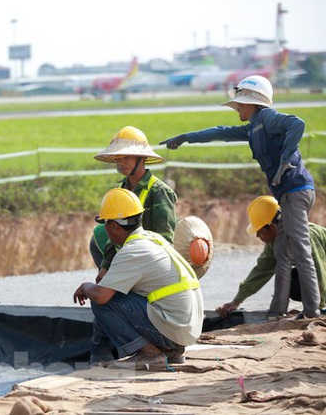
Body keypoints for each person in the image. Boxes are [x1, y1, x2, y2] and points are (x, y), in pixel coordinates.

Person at [160, 75, 320, 319]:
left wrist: (285, 162)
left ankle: (312, 311)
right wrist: (186, 137)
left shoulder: (266, 117)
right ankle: (277, 311)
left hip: (296, 191)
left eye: (240, 104)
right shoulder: (254, 128)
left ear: (253, 103)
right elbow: (220, 132)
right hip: (289, 194)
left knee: (300, 250)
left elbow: (297, 124)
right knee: (282, 254)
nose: (237, 108)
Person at [73, 188, 203, 370]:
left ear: (113, 226)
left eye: (106, 224)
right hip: (185, 331)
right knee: (124, 293)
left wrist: (86, 286)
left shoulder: (132, 252)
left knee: (101, 301)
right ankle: (170, 351)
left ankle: (150, 354)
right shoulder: (154, 239)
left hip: (174, 329)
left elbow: (101, 296)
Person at [89, 125, 178, 363]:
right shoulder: (120, 190)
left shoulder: (159, 192)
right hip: (124, 261)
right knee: (104, 293)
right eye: (117, 158)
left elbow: (165, 239)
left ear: (142, 158)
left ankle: (147, 350)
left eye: (126, 156)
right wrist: (106, 265)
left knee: (106, 300)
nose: (120, 163)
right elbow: (110, 234)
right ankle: (101, 354)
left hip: (145, 264)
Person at [216, 195, 326, 317]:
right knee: (290, 280)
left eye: (260, 231)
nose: (258, 236)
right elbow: (261, 271)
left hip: (323, 272)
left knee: (306, 278)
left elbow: (319, 270)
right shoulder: (274, 244)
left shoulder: (305, 235)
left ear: (272, 227)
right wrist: (236, 301)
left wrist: (317, 308)